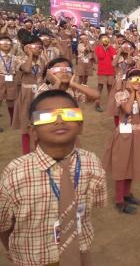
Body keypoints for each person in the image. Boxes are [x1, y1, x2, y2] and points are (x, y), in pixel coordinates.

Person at [0, 90, 107, 266]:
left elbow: (90, 208)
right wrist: (11, 249)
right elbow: (3, 224)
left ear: (80, 125)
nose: (59, 120)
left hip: (79, 253)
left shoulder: (92, 163)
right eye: (47, 116)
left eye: (69, 114)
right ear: (33, 130)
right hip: (33, 259)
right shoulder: (15, 173)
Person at [102, 69, 140, 214]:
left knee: (133, 164)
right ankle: (119, 200)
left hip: (139, 134)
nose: (137, 82)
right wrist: (132, 94)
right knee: (122, 166)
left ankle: (127, 193)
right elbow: (128, 109)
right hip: (124, 134)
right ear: (127, 81)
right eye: (134, 79)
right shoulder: (121, 94)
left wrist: (137, 94)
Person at [12, 36, 46, 154]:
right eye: (35, 46)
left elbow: (45, 76)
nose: (38, 49)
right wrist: (30, 55)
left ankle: (38, 149)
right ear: (26, 47)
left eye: (40, 47)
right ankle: (26, 152)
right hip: (26, 95)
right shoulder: (19, 59)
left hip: (39, 95)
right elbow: (26, 69)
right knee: (26, 125)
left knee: (39, 123)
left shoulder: (42, 60)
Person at [0, 35, 19, 132]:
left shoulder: (15, 58)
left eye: (8, 42)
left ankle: (13, 120)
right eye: (3, 42)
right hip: (0, 78)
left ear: (11, 45)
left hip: (11, 78)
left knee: (11, 101)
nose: (6, 44)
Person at [94, 34, 117, 112]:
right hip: (102, 71)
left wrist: (108, 48)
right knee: (100, 88)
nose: (105, 40)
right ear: (100, 40)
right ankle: (97, 104)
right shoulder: (98, 48)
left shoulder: (112, 48)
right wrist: (105, 49)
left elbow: (113, 56)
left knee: (110, 88)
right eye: (103, 39)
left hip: (111, 71)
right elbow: (101, 56)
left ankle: (111, 104)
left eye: (106, 38)